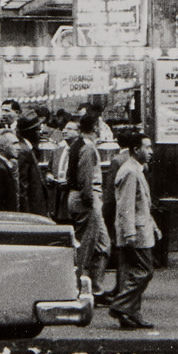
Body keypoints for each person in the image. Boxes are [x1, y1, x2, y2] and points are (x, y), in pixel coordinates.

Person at [103, 129, 157, 329]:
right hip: (135, 231)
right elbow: (126, 206)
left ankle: (131, 313)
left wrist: (153, 225)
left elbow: (140, 203)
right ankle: (121, 305)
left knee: (129, 272)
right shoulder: (130, 171)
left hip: (138, 228)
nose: (151, 151)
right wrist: (130, 233)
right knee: (145, 270)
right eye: (147, 147)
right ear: (136, 150)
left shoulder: (136, 169)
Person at [68, 117, 110, 295]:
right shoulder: (88, 147)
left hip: (84, 199)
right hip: (87, 199)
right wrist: (90, 202)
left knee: (103, 244)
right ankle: (77, 287)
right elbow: (85, 178)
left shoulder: (78, 144)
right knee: (86, 246)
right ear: (94, 128)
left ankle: (96, 288)